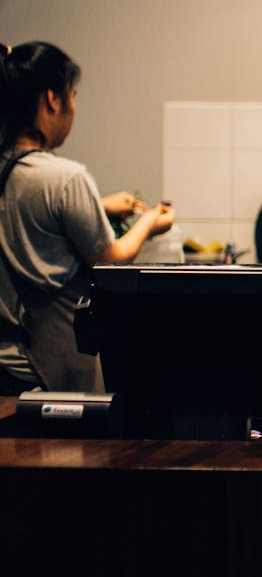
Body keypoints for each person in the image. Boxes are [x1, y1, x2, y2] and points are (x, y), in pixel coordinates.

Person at [0, 41, 174, 393]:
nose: (74, 108)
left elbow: (30, 212)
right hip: (52, 366)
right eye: (73, 95)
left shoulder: (9, 167)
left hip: (6, 363)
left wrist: (101, 206)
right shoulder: (65, 177)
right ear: (53, 98)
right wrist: (149, 222)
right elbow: (109, 260)